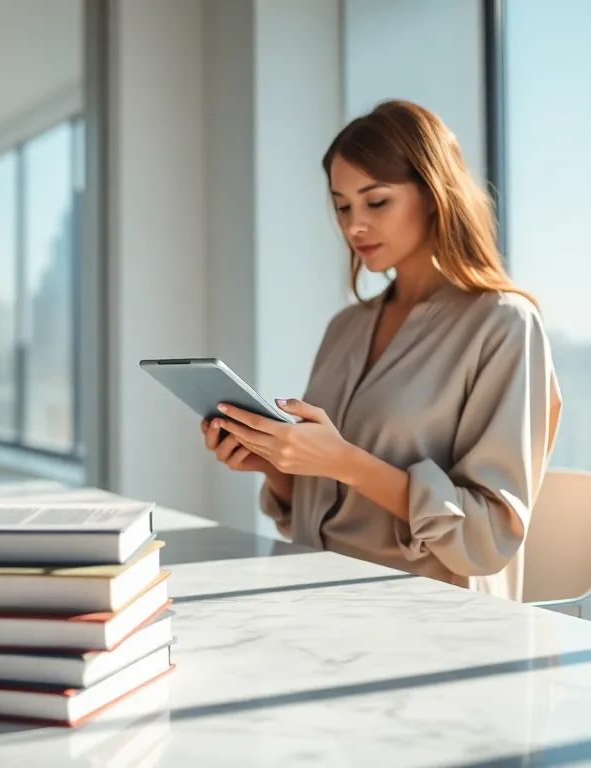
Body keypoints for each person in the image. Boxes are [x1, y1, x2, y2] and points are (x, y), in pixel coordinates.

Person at [201, 100, 562, 602]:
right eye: (342, 205)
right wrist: (276, 466)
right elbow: (318, 513)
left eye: (377, 202)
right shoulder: (345, 327)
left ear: (435, 195)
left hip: (433, 613)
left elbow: (487, 535)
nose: (354, 226)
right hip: (316, 593)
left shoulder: (503, 325)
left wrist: (345, 462)